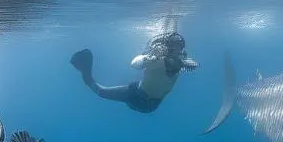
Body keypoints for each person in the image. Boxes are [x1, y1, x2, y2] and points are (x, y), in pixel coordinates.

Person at [70, 21, 199, 113]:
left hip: (141, 100)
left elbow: (135, 64)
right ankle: (86, 74)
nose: (178, 49)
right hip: (146, 101)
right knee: (128, 85)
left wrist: (150, 58)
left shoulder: (174, 60)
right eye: (175, 45)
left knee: (102, 92)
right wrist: (149, 58)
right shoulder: (161, 60)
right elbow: (135, 63)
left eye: (180, 46)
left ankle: (85, 74)